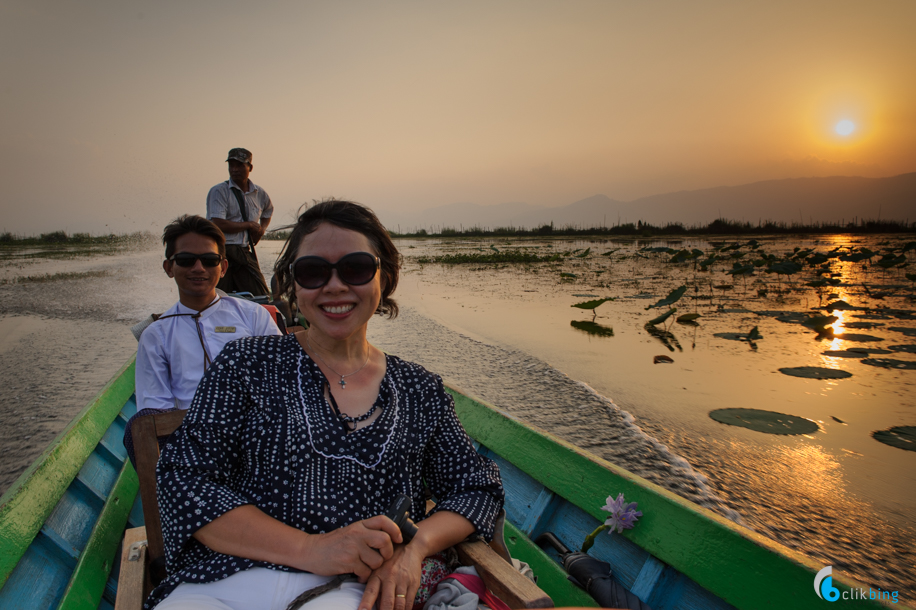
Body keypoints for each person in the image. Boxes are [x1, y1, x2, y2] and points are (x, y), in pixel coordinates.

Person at [149, 201, 504, 610]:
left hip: (350, 589)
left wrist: (416, 547)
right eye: (313, 272)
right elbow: (184, 480)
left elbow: (476, 487)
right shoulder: (245, 364)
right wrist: (309, 548)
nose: (334, 286)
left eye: (355, 268)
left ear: (384, 277)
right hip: (225, 577)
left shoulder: (420, 389)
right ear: (293, 285)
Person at [125, 215, 281, 463]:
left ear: (223, 268)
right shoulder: (156, 334)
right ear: (169, 268)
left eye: (209, 260)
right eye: (186, 260)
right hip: (190, 445)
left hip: (256, 439)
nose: (199, 268)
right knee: (136, 426)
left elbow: (281, 382)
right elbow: (155, 414)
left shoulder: (253, 317)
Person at [206, 147, 273, 296]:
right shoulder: (220, 191)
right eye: (232, 165)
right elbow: (218, 224)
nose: (234, 169)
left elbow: (268, 211)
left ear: (250, 167)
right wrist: (249, 225)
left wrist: (261, 230)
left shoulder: (259, 193)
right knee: (216, 297)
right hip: (221, 251)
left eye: (240, 165)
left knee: (261, 296)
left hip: (243, 251)